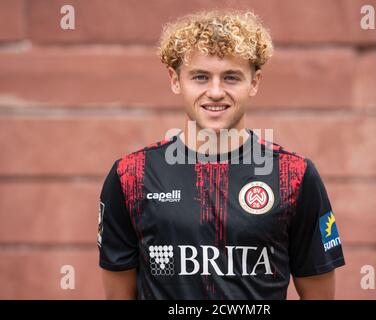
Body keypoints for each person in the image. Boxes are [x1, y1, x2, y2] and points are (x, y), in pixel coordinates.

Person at [98, 9, 345, 300]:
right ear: (175, 80)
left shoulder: (295, 176)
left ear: (254, 82)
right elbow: (118, 295)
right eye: (200, 77)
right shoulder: (131, 175)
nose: (215, 92)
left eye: (231, 77)